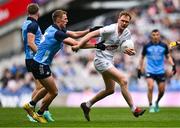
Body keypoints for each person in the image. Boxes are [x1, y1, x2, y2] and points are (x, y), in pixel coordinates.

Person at [23, 9, 106, 123]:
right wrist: (96, 45)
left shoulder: (54, 28)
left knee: (46, 89)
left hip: (39, 63)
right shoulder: (58, 33)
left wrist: (90, 30)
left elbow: (76, 34)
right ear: (58, 19)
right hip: (40, 64)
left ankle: (31, 105)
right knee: (54, 92)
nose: (67, 20)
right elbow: (77, 44)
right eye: (65, 18)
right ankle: (39, 113)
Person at [72, 10, 146, 121]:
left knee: (110, 90)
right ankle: (134, 109)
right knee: (124, 80)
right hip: (100, 60)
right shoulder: (110, 29)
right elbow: (91, 34)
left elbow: (123, 47)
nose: (124, 23)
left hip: (109, 61)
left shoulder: (126, 33)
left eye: (127, 22)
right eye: (122, 21)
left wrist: (129, 51)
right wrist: (79, 45)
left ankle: (87, 105)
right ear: (118, 20)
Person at [21, 3, 54, 122]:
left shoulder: (26, 23)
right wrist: (40, 56)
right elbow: (30, 43)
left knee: (42, 86)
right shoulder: (33, 25)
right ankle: (33, 112)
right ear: (38, 12)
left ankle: (43, 110)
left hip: (30, 57)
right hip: (34, 58)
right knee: (42, 87)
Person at [137, 29, 176, 113]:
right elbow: (142, 57)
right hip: (150, 70)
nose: (155, 36)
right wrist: (139, 68)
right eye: (154, 35)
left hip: (160, 71)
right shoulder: (147, 46)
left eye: (157, 35)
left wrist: (173, 65)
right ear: (151, 36)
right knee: (150, 87)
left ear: (159, 35)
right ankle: (151, 105)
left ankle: (157, 102)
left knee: (161, 91)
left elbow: (168, 56)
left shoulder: (164, 45)